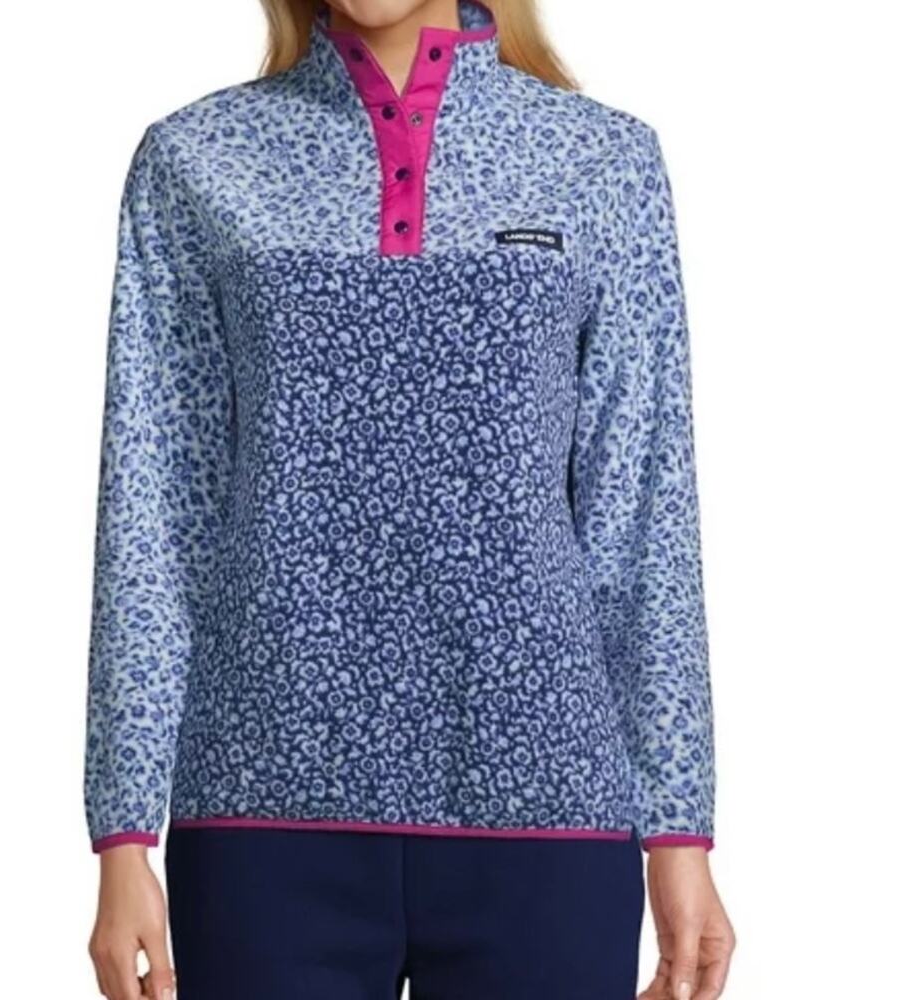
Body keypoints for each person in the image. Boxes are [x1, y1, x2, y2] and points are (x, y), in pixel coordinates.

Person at [83, 1, 736, 997]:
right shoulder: (196, 160)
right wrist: (123, 831)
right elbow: (155, 509)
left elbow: (642, 514)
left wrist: (679, 831)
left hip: (547, 808)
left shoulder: (603, 162)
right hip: (264, 808)